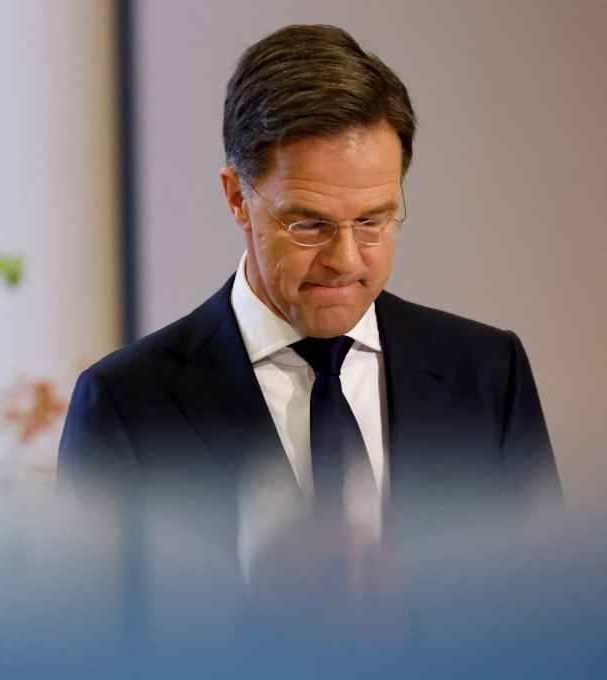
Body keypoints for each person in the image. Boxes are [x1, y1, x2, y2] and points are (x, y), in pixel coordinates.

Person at [58, 25, 562, 527]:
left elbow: (550, 597)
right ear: (237, 198)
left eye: (372, 221)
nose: (345, 259)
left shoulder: (491, 372)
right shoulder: (123, 406)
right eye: (308, 224)